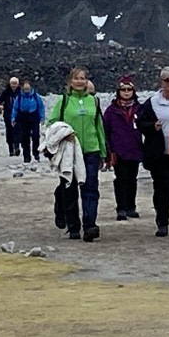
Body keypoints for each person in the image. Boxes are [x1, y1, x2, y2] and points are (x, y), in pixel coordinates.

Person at [47, 67, 108, 242]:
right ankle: (73, 226)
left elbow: (99, 127)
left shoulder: (93, 101)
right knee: (69, 188)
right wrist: (63, 133)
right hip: (69, 151)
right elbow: (52, 123)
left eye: (83, 78)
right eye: (76, 78)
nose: (80, 81)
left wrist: (103, 152)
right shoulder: (63, 101)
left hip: (91, 150)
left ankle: (90, 225)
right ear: (70, 82)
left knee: (90, 188)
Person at [137, 66, 169, 237]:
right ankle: (162, 223)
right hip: (158, 154)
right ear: (161, 82)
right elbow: (140, 123)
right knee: (160, 190)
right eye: (166, 80)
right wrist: (152, 126)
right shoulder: (151, 102)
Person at [103, 75, 143, 221]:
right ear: (118, 92)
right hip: (119, 150)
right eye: (123, 89)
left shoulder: (140, 109)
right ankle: (121, 208)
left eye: (129, 89)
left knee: (132, 179)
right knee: (121, 179)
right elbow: (106, 131)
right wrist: (109, 150)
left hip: (135, 149)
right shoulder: (111, 111)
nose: (126, 92)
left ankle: (131, 207)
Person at [10, 80, 46, 163]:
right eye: (25, 89)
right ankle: (26, 156)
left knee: (35, 136)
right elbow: (15, 108)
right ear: (22, 88)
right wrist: (13, 118)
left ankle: (36, 152)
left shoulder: (36, 96)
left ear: (30, 88)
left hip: (34, 117)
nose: (26, 90)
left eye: (28, 89)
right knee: (24, 138)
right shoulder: (19, 97)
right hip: (23, 117)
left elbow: (41, 107)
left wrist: (42, 118)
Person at [0, 76, 21, 156]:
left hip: (18, 115)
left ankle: (16, 147)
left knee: (17, 131)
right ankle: (11, 149)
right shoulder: (6, 92)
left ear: (18, 84)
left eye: (15, 84)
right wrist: (0, 105)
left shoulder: (20, 92)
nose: (13, 85)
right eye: (12, 84)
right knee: (9, 132)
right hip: (8, 115)